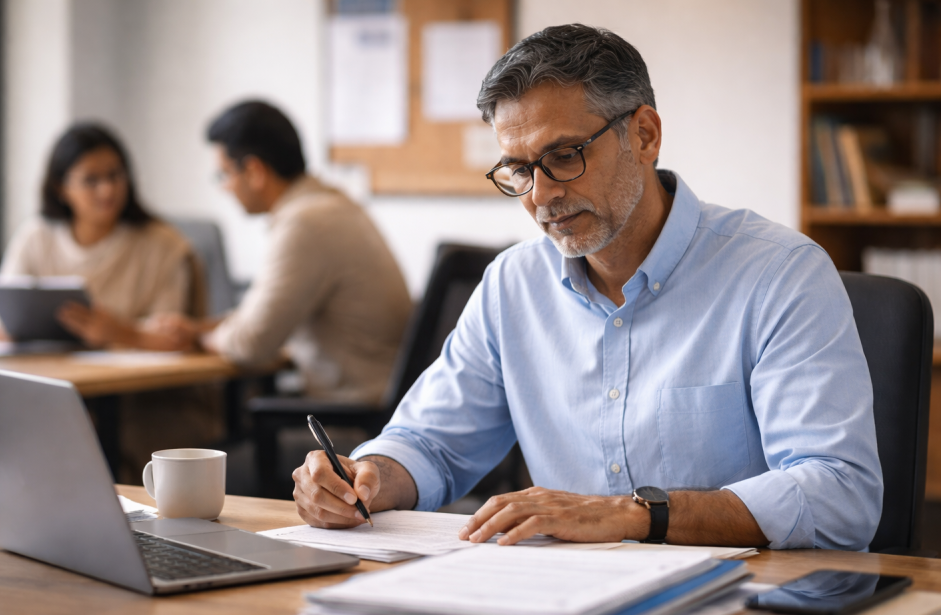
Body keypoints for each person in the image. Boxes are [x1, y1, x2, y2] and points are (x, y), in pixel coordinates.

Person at [291, 25, 884, 551]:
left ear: (645, 135)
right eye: (518, 170)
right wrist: (366, 476)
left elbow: (838, 495)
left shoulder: (780, 274)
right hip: (562, 607)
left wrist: (632, 516)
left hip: (738, 610)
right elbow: (432, 442)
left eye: (565, 155)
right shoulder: (512, 285)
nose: (540, 196)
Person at [150, 101, 412, 403]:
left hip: (351, 423)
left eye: (224, 175)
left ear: (254, 171)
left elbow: (251, 345)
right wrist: (204, 327)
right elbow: (258, 317)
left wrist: (197, 338)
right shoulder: (332, 206)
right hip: (383, 407)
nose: (225, 188)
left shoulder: (306, 224)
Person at [0, 123, 203, 346]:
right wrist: (3, 330)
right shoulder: (36, 236)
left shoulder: (163, 244)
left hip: (131, 379)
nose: (107, 190)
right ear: (61, 188)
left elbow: (175, 336)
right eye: (91, 180)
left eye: (115, 175)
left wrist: (120, 333)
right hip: (49, 372)